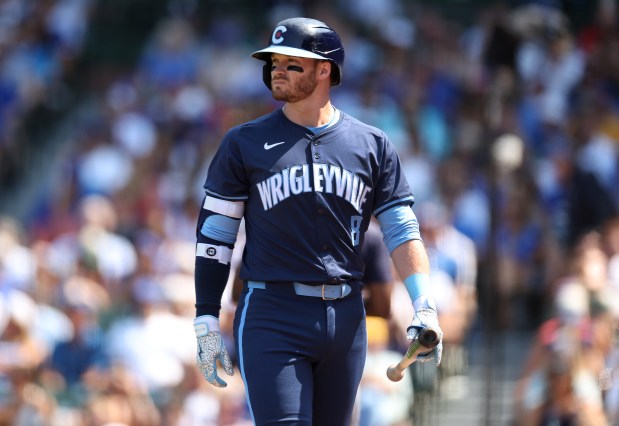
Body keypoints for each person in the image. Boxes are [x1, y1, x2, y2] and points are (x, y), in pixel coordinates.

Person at [192, 17, 443, 426]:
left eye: (292, 62)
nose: (277, 70)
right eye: (273, 62)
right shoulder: (243, 143)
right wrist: (206, 317)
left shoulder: (372, 144)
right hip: (272, 311)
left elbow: (401, 228)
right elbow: (215, 236)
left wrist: (424, 304)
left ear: (324, 69)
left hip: (346, 315)